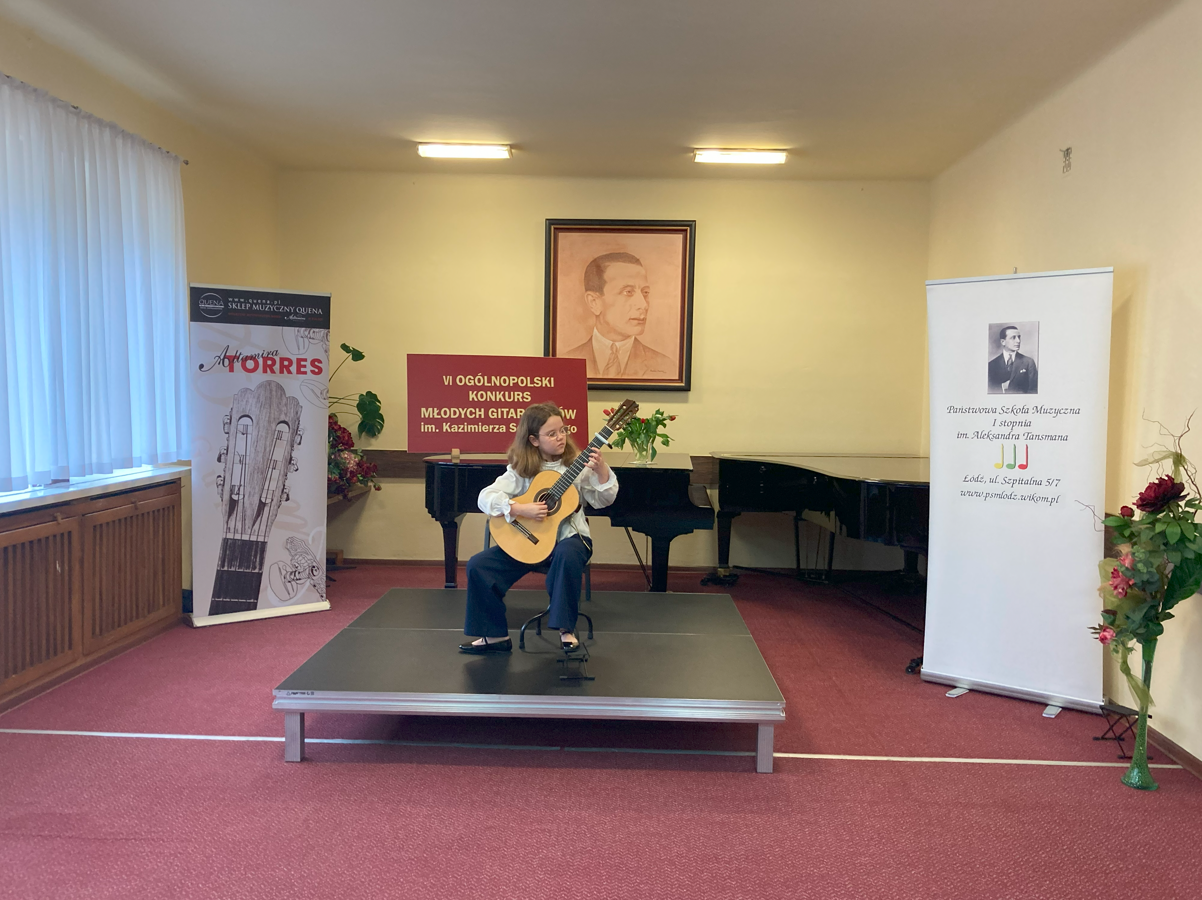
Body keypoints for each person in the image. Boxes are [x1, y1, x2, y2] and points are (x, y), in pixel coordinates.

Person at [459, 402, 618, 654]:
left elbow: (603, 500)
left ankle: (565, 629)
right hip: (531, 541)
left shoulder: (577, 465)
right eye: (551, 434)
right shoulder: (522, 470)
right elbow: (485, 497)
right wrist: (520, 509)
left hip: (570, 539)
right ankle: (495, 635)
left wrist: (601, 472)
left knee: (566, 554)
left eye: (563, 430)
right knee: (479, 565)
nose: (561, 437)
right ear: (534, 440)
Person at [561, 251, 676, 378]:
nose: (643, 304)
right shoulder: (564, 364)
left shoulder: (666, 367)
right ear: (594, 302)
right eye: (628, 292)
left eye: (645, 292)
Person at [987, 325, 1038, 394]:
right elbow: (989, 390)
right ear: (1003, 342)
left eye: (1019, 337)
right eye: (1013, 338)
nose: (1018, 341)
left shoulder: (1028, 362)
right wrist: (1002, 387)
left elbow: (1034, 390)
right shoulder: (991, 365)